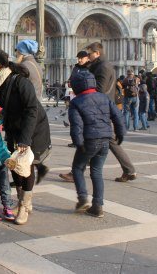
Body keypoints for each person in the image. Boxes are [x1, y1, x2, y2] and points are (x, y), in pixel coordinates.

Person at [0, 48, 52, 225]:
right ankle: (22, 200)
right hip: (13, 126)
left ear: (1, 63)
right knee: (14, 165)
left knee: (26, 165)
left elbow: (32, 109)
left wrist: (25, 139)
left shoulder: (19, 82)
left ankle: (24, 206)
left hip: (34, 126)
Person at [69, 71, 126, 217]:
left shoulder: (76, 102)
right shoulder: (104, 97)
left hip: (89, 140)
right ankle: (98, 206)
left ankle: (82, 198)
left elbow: (76, 125)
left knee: (77, 168)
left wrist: (78, 142)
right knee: (97, 172)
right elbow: (117, 116)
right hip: (105, 139)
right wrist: (120, 133)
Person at [86, 42, 137, 182]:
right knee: (110, 140)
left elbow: (100, 89)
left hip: (100, 109)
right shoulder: (100, 66)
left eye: (89, 54)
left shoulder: (103, 67)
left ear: (97, 53)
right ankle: (129, 170)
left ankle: (77, 169)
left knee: (90, 138)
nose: (88, 56)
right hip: (102, 108)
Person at [15, 39, 50, 184]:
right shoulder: (36, 64)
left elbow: (19, 87)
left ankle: (24, 178)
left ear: (22, 52)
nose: (16, 53)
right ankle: (38, 169)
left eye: (17, 50)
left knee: (24, 142)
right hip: (36, 106)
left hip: (28, 108)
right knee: (28, 142)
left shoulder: (24, 65)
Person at [60, 51, 91, 181]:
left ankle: (76, 172)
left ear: (87, 58)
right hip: (79, 101)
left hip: (87, 103)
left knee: (84, 140)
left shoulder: (90, 68)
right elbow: (72, 80)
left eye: (81, 58)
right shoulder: (77, 68)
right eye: (78, 58)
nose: (79, 60)